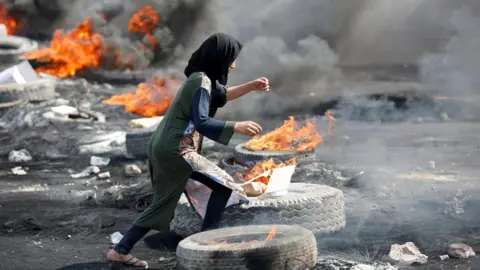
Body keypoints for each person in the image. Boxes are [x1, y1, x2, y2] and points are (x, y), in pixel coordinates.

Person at [106, 33, 269, 268]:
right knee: (223, 187)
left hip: (165, 146)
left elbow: (222, 96)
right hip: (177, 149)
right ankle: (206, 245)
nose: (234, 64)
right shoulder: (201, 81)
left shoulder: (202, 79)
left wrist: (252, 86)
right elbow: (201, 121)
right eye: (231, 59)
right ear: (219, 57)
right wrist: (237, 126)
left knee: (162, 203)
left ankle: (121, 250)